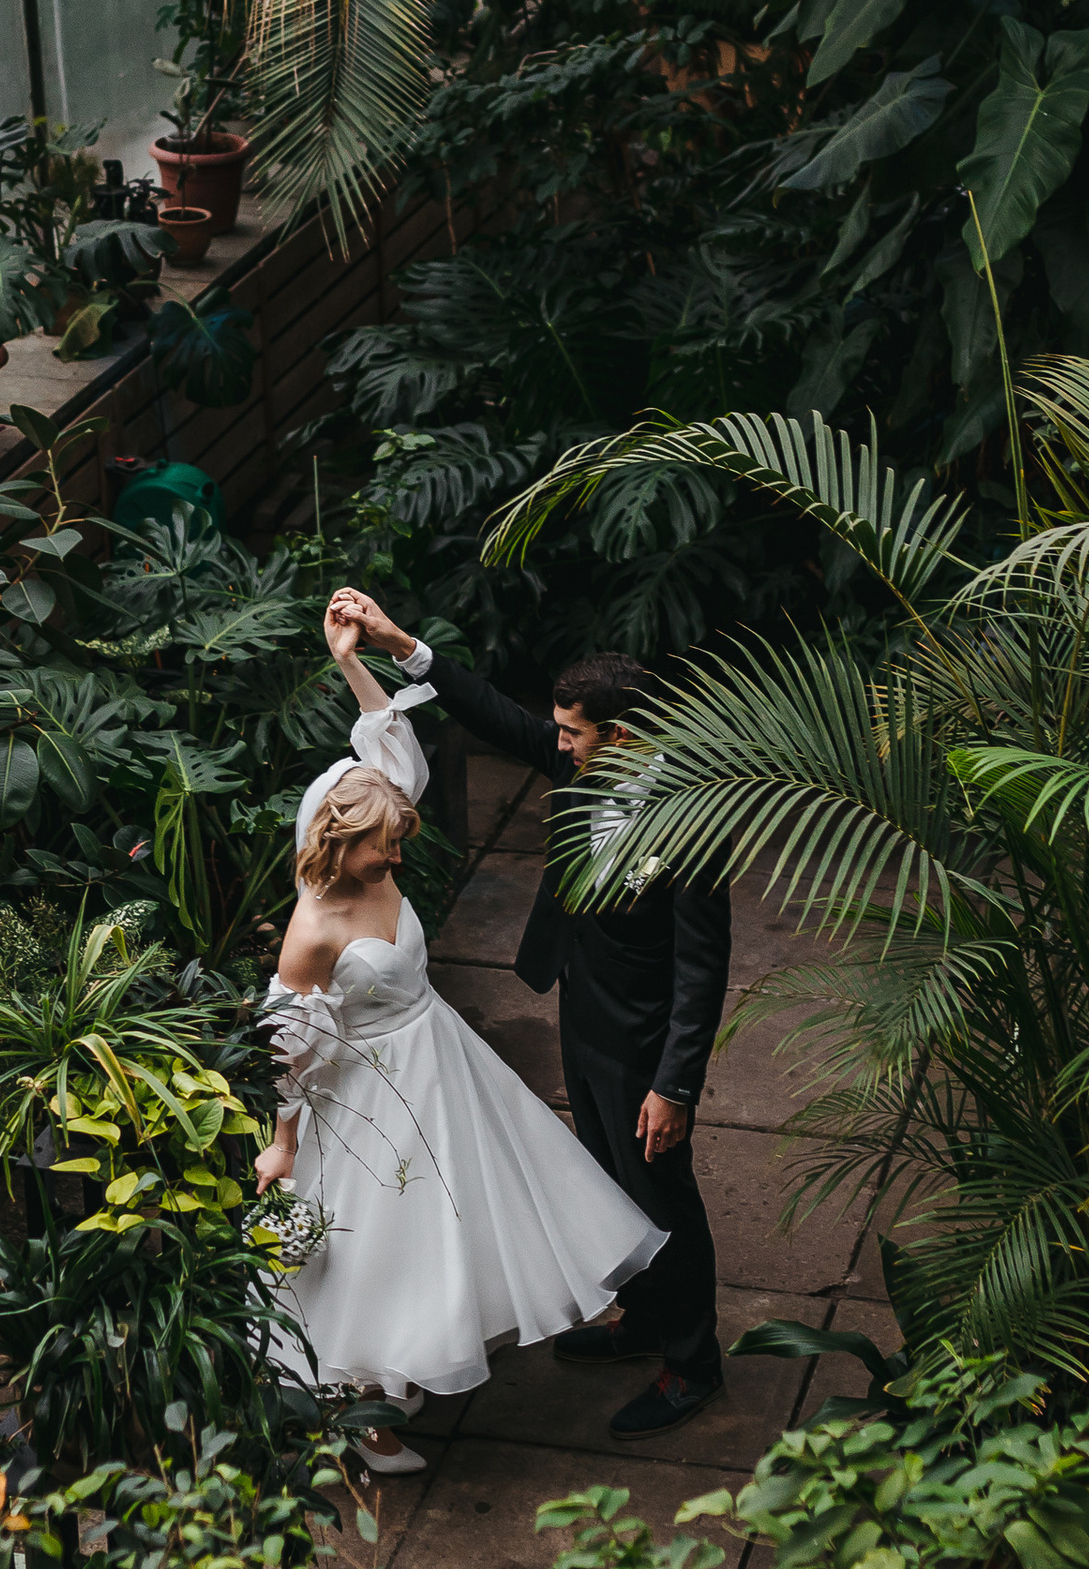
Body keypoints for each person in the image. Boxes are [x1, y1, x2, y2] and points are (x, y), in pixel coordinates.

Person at [253, 601, 665, 1479]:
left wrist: (356, 659)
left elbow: (387, 748)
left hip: (439, 1060)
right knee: (376, 1246)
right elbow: (287, 1042)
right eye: (380, 852)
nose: (396, 861)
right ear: (336, 844)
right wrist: (284, 1144)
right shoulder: (312, 932)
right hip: (368, 1089)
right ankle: (365, 1412)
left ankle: (434, 1352)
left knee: (462, 1221)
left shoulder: (376, 820)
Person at [326, 588, 731, 1437]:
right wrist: (402, 643)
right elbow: (495, 717)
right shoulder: (579, 763)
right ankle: (645, 1319)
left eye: (573, 733)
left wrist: (676, 1087)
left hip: (646, 1043)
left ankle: (692, 1363)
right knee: (612, 1180)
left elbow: (703, 970)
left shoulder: (693, 823)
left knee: (663, 1191)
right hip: (584, 1012)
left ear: (619, 736)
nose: (557, 744)